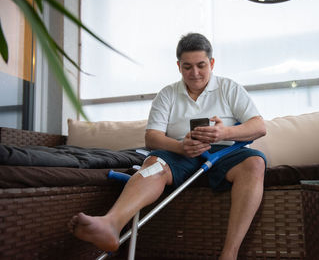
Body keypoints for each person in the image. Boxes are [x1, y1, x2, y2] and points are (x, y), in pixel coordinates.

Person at [69, 33, 267, 260]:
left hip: (223, 153)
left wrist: (225, 132)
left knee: (255, 162)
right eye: (187, 67)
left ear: (211, 63)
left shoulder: (230, 88)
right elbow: (152, 138)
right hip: (178, 154)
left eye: (201, 65)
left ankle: (229, 255)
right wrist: (181, 147)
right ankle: (110, 224)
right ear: (178, 66)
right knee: (153, 163)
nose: (195, 73)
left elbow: (259, 126)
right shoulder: (167, 94)